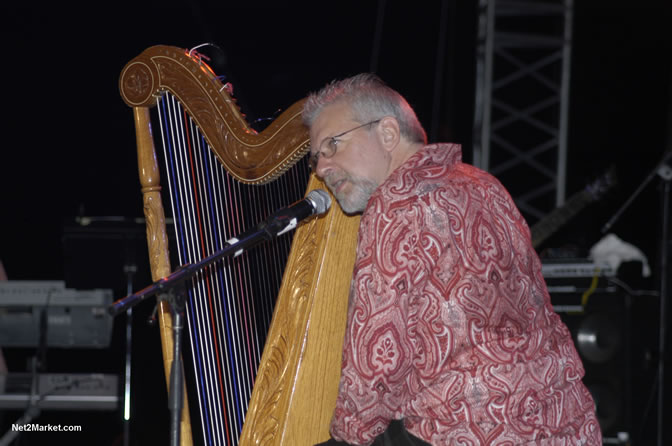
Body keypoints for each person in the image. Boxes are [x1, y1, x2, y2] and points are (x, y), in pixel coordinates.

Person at [302, 74, 602, 446]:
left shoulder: (396, 203)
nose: (322, 168)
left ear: (388, 133)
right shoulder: (483, 183)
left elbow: (377, 365)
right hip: (563, 420)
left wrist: (346, 435)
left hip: (468, 430)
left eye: (333, 145)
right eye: (316, 157)